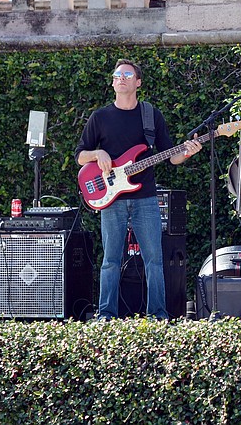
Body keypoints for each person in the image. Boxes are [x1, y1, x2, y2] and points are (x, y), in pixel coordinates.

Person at [75, 59, 202, 320]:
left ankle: (158, 315)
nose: (121, 78)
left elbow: (170, 156)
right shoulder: (100, 117)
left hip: (145, 197)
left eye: (127, 74)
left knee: (154, 260)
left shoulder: (150, 115)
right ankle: (106, 315)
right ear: (113, 83)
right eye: (117, 75)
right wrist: (97, 153)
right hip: (111, 198)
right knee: (110, 260)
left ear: (138, 82)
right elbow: (80, 156)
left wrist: (187, 152)